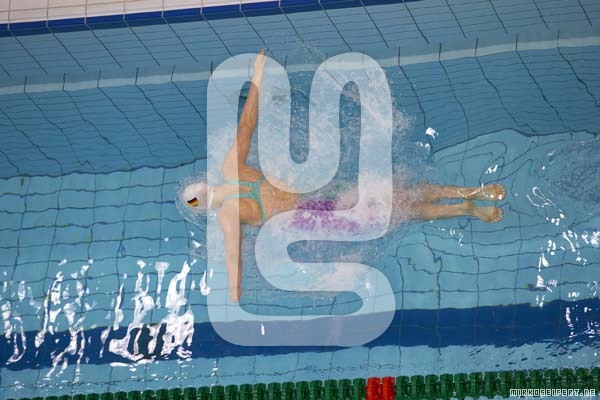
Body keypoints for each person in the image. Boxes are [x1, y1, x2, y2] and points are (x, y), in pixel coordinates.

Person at [180, 50, 505, 302]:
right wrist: (257, 78)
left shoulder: (227, 215)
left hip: (315, 214)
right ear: (207, 183)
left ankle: (464, 208)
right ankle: (468, 194)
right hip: (319, 192)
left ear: (204, 209)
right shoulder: (231, 167)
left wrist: (234, 291)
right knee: (394, 194)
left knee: (395, 212)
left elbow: (234, 255)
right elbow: (246, 125)